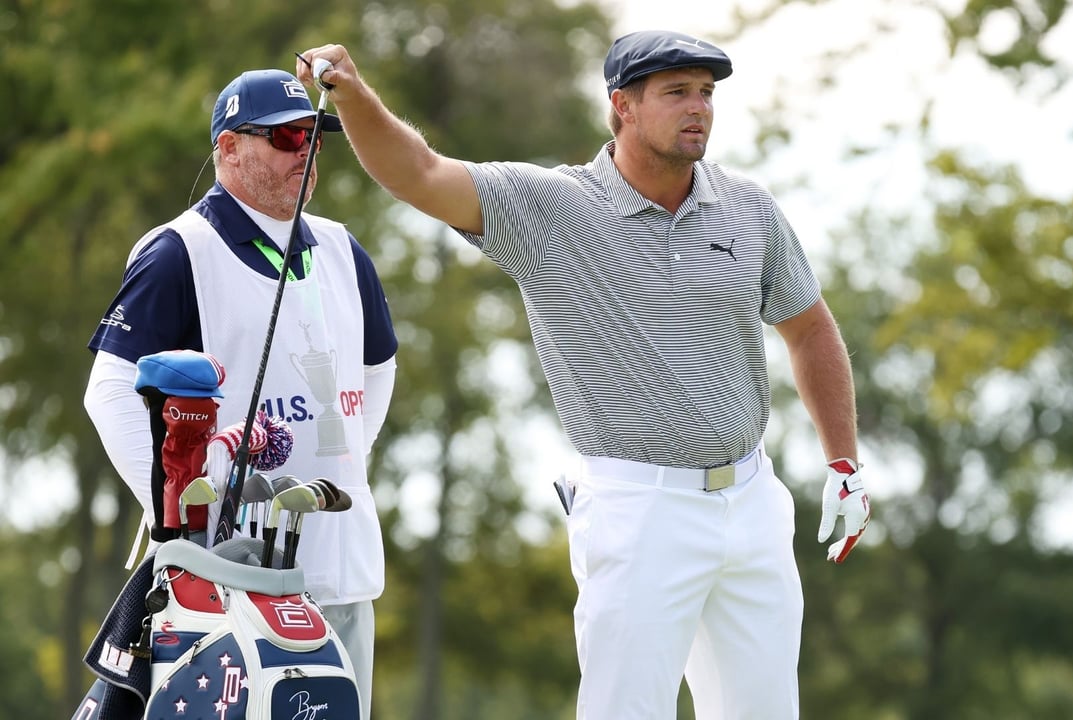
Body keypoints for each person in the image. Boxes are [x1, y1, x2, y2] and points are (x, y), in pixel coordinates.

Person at [298, 29, 870, 719]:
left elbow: (810, 329)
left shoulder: (749, 209)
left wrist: (844, 462)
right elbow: (418, 173)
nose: (699, 108)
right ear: (621, 106)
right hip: (638, 509)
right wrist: (352, 96)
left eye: (706, 93)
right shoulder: (550, 207)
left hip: (752, 502)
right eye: (677, 93)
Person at [83, 67, 397, 720]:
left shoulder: (343, 249)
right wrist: (180, 515)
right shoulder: (178, 250)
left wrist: (340, 460)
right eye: (285, 138)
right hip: (224, 578)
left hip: (342, 568)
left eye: (312, 136)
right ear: (228, 147)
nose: (305, 151)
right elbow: (110, 391)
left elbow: (377, 369)